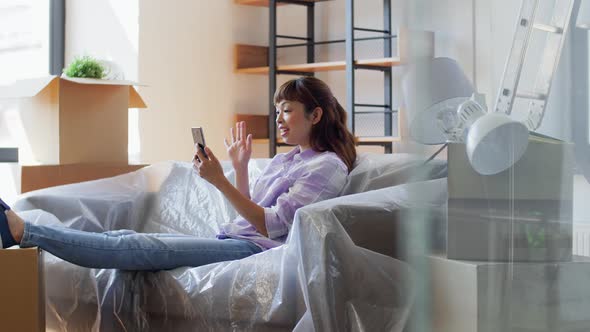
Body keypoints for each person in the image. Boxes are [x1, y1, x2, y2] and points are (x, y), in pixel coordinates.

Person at [0, 76, 357, 271]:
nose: (278, 120)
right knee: (127, 235)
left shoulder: (326, 167)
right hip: (237, 239)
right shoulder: (288, 160)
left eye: (287, 111)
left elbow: (273, 226)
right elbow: (248, 211)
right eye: (277, 111)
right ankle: (21, 228)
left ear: (316, 115)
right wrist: (243, 166)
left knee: (136, 245)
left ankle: (22, 229)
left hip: (253, 250)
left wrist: (219, 180)